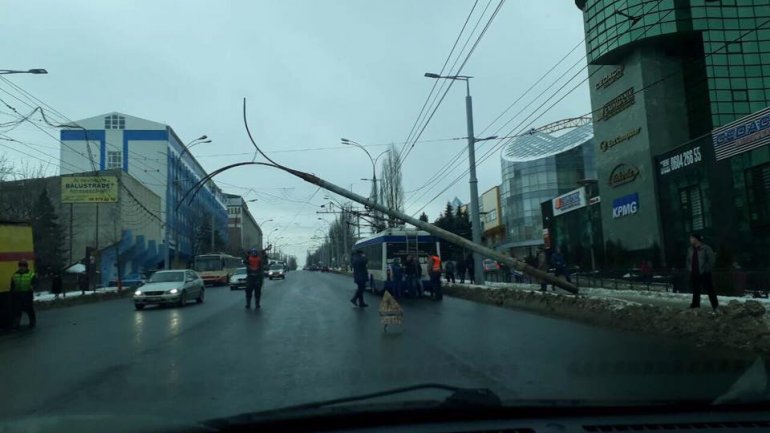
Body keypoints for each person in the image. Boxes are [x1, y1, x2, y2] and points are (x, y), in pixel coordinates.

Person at [687, 233, 718, 311]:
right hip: (694, 273)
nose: (690, 240)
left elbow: (711, 260)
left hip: (704, 273)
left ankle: (715, 306)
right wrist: (690, 269)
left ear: (696, 239)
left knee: (710, 290)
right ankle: (695, 305)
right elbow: (688, 260)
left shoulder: (706, 248)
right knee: (695, 290)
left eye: (691, 238)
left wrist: (706, 269)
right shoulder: (690, 249)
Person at [10, 260, 37, 329]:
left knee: (29, 308)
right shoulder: (15, 274)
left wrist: (33, 286)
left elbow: (35, 283)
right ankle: (17, 323)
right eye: (20, 266)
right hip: (18, 294)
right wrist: (12, 291)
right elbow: (12, 284)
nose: (21, 267)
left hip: (27, 293)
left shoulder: (31, 274)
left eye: (23, 266)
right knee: (17, 309)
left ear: (26, 267)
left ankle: (32, 321)